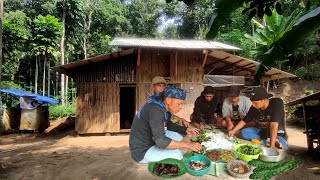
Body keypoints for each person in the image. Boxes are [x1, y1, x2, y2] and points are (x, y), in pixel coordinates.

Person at [129, 85, 202, 163]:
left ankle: (165, 149)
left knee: (177, 136)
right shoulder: (156, 111)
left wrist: (185, 129)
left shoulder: (161, 107)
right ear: (168, 100)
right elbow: (161, 141)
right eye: (179, 103)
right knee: (177, 155)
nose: (181, 107)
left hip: (150, 138)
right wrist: (188, 145)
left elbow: (168, 125)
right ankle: (158, 152)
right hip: (142, 150)